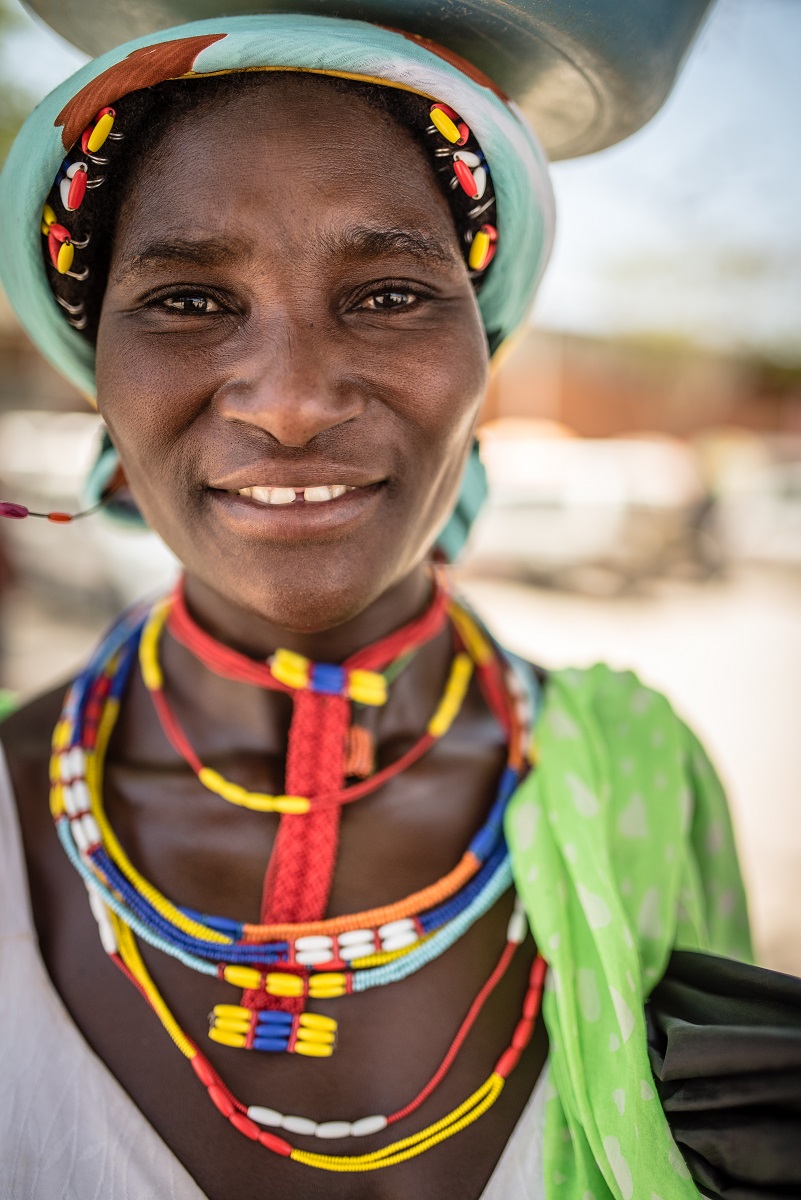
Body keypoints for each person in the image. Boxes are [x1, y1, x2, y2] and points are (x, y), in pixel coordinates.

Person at [0, 14, 794, 1200]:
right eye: (189, 302)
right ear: (92, 362)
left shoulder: (640, 782)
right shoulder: (16, 797)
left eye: (384, 294)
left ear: (486, 346)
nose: (294, 401)